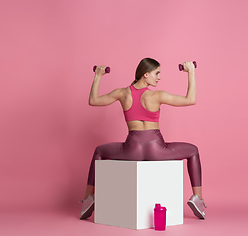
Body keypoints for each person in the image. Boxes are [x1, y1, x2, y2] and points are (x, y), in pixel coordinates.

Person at [80, 58, 206, 220]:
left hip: (131, 150)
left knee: (99, 151)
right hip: (157, 150)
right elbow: (190, 100)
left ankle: (88, 198)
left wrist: (98, 76)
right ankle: (198, 198)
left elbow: (93, 101)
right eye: (157, 73)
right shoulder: (157, 96)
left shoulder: (122, 93)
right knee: (193, 150)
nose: (159, 77)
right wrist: (191, 72)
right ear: (145, 74)